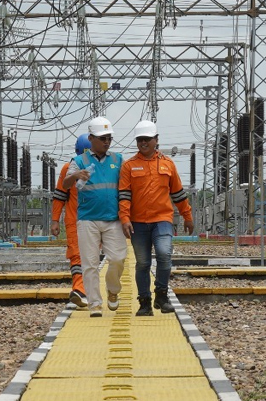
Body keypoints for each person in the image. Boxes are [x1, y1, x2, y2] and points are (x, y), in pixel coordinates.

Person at [118, 120, 194, 316]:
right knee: (142, 263)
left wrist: (187, 216)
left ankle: (161, 294)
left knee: (164, 254)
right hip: (138, 223)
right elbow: (124, 195)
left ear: (156, 140)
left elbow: (178, 193)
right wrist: (125, 218)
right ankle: (144, 303)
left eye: (147, 139)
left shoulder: (168, 164)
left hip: (162, 219)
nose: (143, 143)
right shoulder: (129, 166)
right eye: (140, 140)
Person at [62, 116, 127, 318]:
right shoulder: (79, 161)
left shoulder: (118, 160)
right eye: (102, 138)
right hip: (87, 219)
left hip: (113, 219)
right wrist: (75, 176)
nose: (106, 142)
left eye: (109, 138)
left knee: (117, 258)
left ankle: (113, 290)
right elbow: (65, 184)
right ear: (91, 139)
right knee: (89, 264)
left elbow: (126, 188)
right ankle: (95, 304)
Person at [51, 135, 91, 308]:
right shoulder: (68, 169)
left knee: (91, 257)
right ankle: (79, 289)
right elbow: (60, 196)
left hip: (94, 221)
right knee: (76, 255)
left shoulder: (100, 168)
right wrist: (54, 220)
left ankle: (86, 289)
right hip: (74, 220)